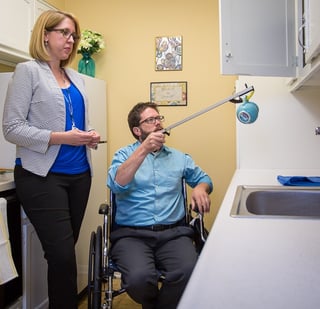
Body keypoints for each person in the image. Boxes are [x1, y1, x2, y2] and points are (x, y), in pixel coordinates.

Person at [2, 10, 100, 309]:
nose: (70, 40)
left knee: (63, 255)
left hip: (80, 174)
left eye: (74, 35)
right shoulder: (27, 71)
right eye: (64, 33)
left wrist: (87, 136)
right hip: (42, 176)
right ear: (45, 34)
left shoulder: (76, 77)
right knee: (62, 257)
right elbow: (11, 128)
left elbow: (72, 123)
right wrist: (62, 137)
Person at [107, 102, 213, 309]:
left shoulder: (179, 157)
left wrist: (201, 188)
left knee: (189, 271)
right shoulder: (123, 155)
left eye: (159, 118)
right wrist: (144, 149)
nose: (158, 123)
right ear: (137, 131)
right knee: (139, 279)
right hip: (131, 235)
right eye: (150, 120)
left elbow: (204, 179)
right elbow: (117, 184)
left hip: (173, 234)